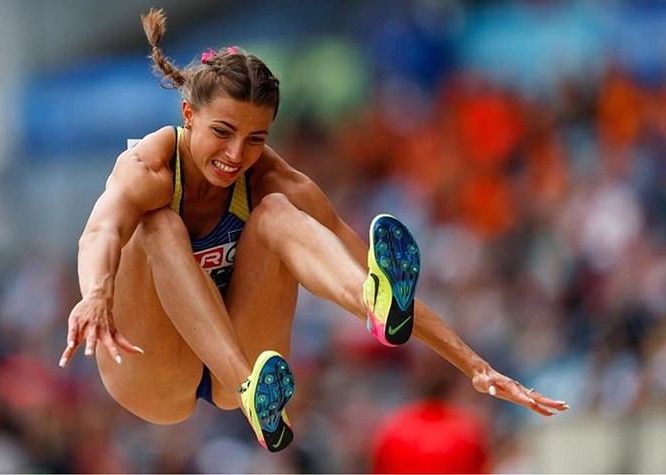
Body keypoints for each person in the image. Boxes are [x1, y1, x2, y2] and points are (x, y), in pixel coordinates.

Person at [58, 8, 569, 453]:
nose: (236, 155)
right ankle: (250, 391)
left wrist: (475, 366)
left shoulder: (272, 179)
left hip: (235, 361)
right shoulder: (149, 168)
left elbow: (359, 259)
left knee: (278, 214)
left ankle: (361, 311)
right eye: (222, 132)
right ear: (188, 115)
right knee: (160, 223)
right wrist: (95, 294)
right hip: (151, 375)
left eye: (255, 138)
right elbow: (100, 232)